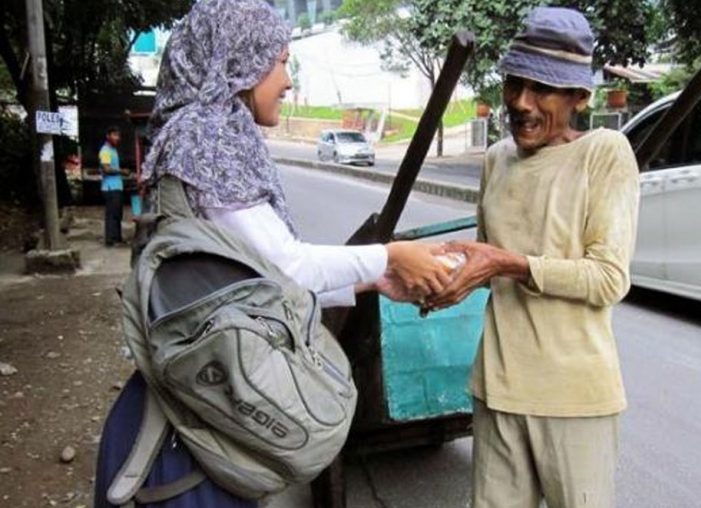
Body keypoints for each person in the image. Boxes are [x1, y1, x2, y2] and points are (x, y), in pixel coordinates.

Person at [93, 1, 449, 506]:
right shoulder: (206, 135)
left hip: (201, 392)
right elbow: (286, 267)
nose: (287, 80)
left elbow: (252, 285)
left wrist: (371, 282)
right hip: (199, 417)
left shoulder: (197, 133)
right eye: (280, 61)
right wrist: (388, 257)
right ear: (238, 59)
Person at [428, 7, 640, 508]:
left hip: (574, 397)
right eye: (513, 84)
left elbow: (608, 278)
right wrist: (444, 278)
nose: (521, 103)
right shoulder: (497, 158)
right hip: (497, 390)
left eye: (541, 90)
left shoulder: (605, 153)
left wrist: (507, 264)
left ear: (579, 97)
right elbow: (488, 259)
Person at [99, 126, 125, 246]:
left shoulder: (113, 150)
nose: (117, 138)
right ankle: (110, 240)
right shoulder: (105, 151)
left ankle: (117, 238)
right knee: (112, 214)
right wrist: (121, 171)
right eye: (114, 135)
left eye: (118, 135)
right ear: (108, 136)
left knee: (118, 214)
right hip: (110, 187)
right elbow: (106, 169)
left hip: (117, 186)